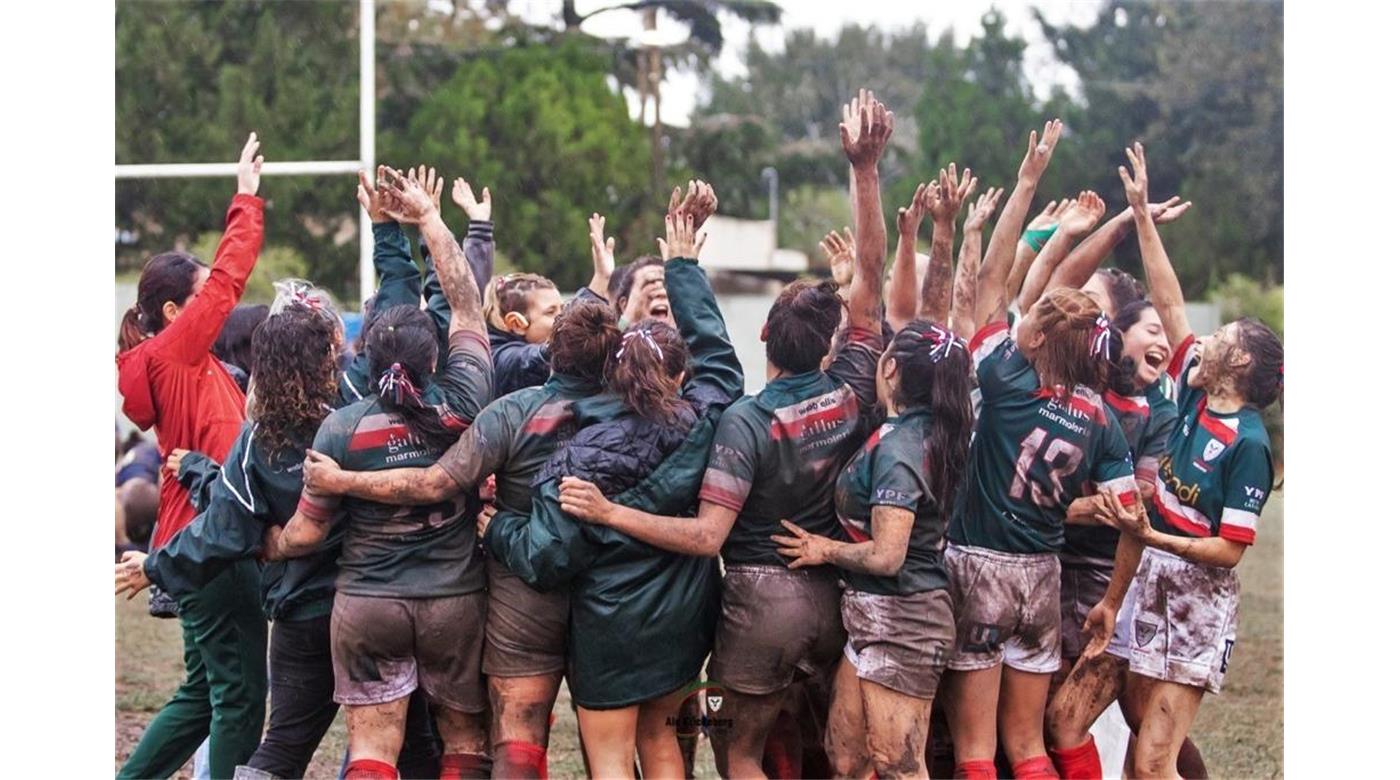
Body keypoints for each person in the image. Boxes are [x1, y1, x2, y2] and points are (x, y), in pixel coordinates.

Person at [115, 281, 445, 780]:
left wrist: (156, 566)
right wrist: (401, 234)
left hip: (306, 613)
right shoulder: (362, 413)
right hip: (379, 602)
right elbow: (399, 316)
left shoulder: (257, 441)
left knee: (283, 748)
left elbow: (223, 528)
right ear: (330, 357)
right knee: (415, 744)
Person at [480, 208, 742, 778]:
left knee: (610, 760)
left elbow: (548, 556)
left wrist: (497, 528)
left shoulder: (577, 450)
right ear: (679, 375)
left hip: (610, 627)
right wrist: (685, 268)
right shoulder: (705, 418)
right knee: (664, 744)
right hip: (685, 617)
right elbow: (720, 361)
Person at [269, 170, 495, 780]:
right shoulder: (466, 396)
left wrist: (269, 544)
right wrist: (429, 220)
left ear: (365, 354)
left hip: (367, 604)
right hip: (453, 601)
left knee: (373, 745)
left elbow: (308, 535)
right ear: (436, 355)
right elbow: (467, 302)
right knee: (465, 741)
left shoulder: (339, 430)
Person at [939, 118, 1145, 780]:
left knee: (975, 751)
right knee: (1028, 747)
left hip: (979, 568)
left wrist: (1028, 182)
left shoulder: (1004, 379)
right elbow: (1132, 520)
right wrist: (1112, 597)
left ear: (1037, 338)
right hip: (1042, 577)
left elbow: (995, 283)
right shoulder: (1102, 420)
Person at [1070, 143, 1281, 780]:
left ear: (1239, 365)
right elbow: (1169, 300)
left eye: (1225, 338)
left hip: (1195, 599)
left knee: (1152, 762)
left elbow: (1229, 549)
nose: (1205, 338)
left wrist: (1160, 535)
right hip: (1146, 578)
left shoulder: (1248, 443)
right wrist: (1138, 215)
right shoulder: (1195, 388)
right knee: (1086, 726)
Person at [113, 133, 270, 780]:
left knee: (204, 697)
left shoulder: (185, 361)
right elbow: (231, 276)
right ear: (174, 311)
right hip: (209, 541)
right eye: (200, 297)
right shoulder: (173, 355)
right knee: (238, 700)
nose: (217, 302)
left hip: (193, 537)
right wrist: (245, 200)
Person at [772, 317, 974, 780]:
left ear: (890, 369)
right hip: (873, 615)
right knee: (845, 756)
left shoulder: (902, 448)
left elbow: (888, 555)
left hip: (905, 619)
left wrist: (825, 549)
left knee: (897, 765)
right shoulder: (923, 429)